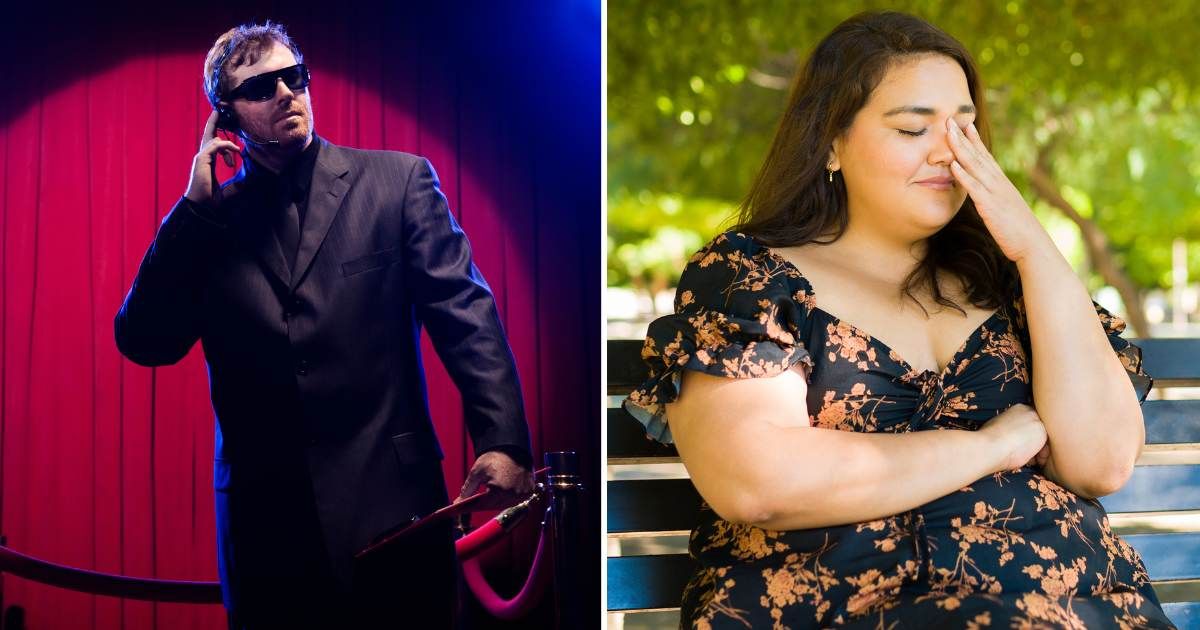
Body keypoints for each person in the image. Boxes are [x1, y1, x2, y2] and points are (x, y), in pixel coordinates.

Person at [622, 10, 1176, 629]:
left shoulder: (1017, 283)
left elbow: (1100, 463)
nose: (951, 152)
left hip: (1075, 601)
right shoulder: (754, 279)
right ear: (831, 142)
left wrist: (1033, 248)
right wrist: (991, 447)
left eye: (966, 129)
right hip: (848, 601)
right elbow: (759, 483)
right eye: (914, 129)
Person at [113, 21, 533, 629]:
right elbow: (145, 342)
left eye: (294, 77)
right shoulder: (209, 225)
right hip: (265, 527)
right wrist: (192, 216)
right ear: (224, 120)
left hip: (394, 507)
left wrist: (503, 440)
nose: (286, 92)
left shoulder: (399, 182)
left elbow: (464, 313)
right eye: (261, 87)